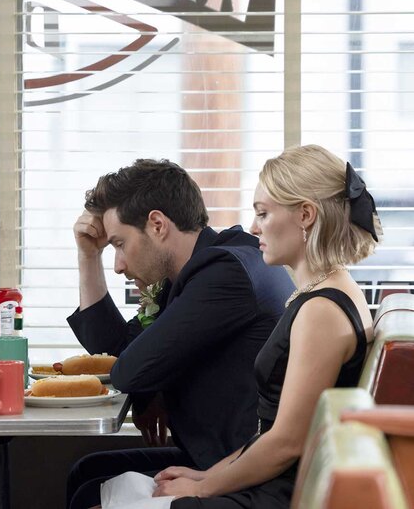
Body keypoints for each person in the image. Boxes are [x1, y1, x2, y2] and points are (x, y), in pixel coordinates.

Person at [144, 145, 379, 508]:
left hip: (279, 494)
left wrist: (203, 489)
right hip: (271, 479)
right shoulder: (324, 291)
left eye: (264, 214)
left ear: (305, 215)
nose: (253, 228)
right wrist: (207, 474)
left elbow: (287, 442)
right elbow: (271, 433)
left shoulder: (322, 310)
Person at [66, 159, 294, 509]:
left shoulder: (226, 272)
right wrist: (88, 257)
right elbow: (113, 350)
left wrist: (151, 384)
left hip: (251, 474)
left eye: (120, 244)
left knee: (89, 493)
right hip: (220, 456)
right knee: (86, 473)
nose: (119, 265)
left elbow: (128, 370)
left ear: (157, 224)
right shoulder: (195, 273)